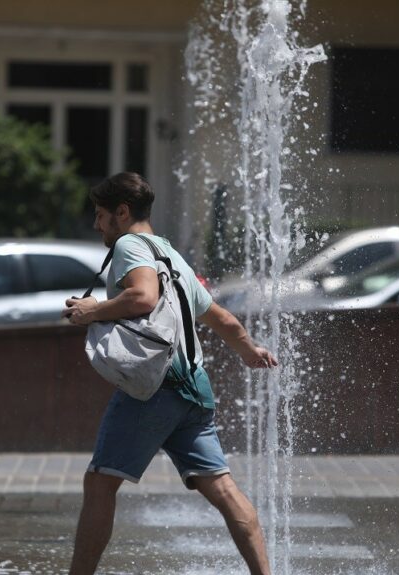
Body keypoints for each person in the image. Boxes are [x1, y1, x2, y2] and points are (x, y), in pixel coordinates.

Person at [62, 172, 277, 575]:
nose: (96, 225)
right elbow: (223, 319)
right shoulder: (172, 255)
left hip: (154, 386)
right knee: (224, 489)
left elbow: (143, 297)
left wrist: (92, 311)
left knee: (100, 483)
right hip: (195, 386)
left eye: (100, 215)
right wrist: (251, 351)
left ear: (121, 213)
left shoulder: (129, 245)